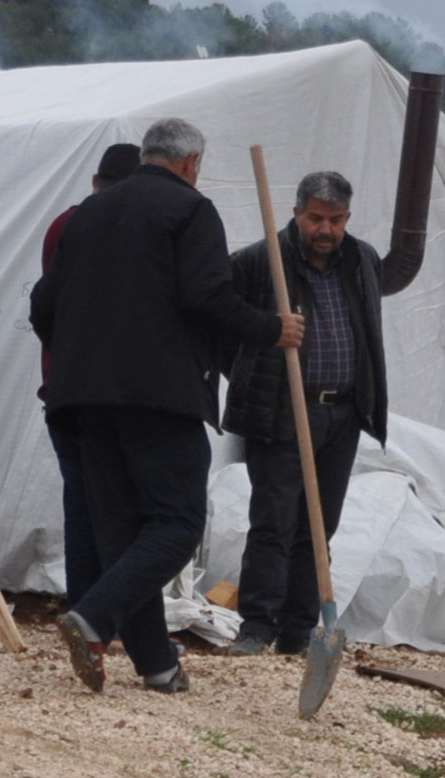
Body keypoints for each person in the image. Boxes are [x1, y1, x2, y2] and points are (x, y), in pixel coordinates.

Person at [30, 116, 300, 694]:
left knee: (124, 535)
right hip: (158, 395)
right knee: (177, 524)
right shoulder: (189, 210)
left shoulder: (84, 216)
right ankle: (94, 618)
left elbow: (42, 308)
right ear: (190, 164)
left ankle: (156, 665)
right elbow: (207, 297)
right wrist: (271, 328)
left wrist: (86, 350)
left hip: (82, 398)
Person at [222, 169, 392, 656]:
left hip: (342, 413)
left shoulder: (361, 260)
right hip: (282, 410)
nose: (326, 230)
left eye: (335, 220)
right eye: (316, 218)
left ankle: (298, 629)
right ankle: (257, 625)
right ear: (297, 213)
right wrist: (261, 359)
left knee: (321, 524)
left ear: (347, 219)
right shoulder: (261, 261)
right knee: (274, 519)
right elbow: (224, 326)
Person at [40, 142, 143, 609]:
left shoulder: (67, 223)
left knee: (82, 502)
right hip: (107, 390)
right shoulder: (115, 229)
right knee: (115, 505)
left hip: (65, 388)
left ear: (96, 182)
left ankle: (88, 607)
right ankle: (105, 612)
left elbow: (47, 307)